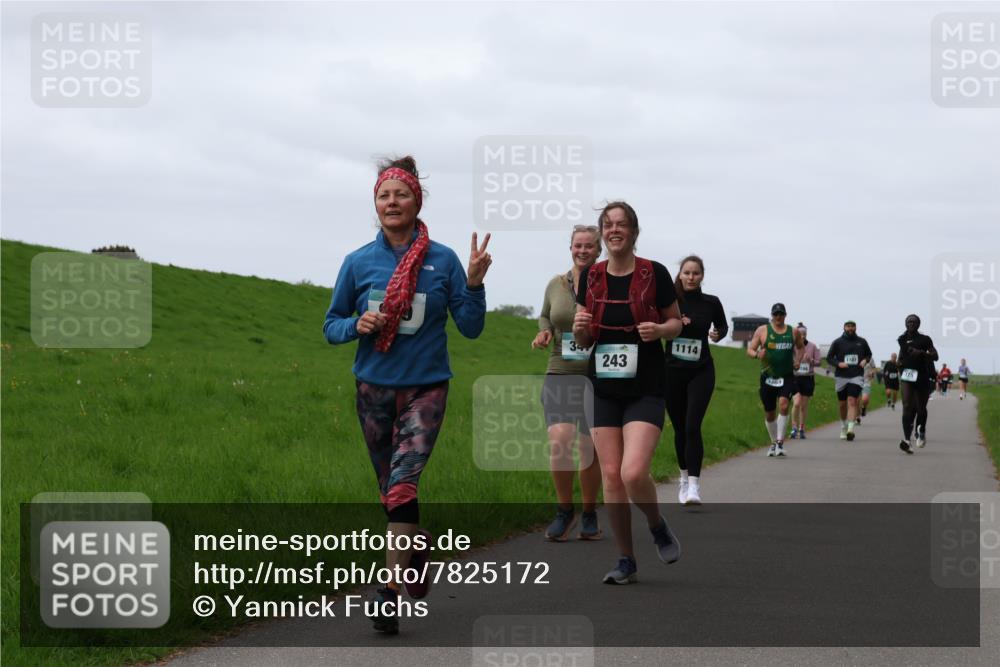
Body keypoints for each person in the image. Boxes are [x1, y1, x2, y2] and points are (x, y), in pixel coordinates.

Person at [323, 156, 492, 633]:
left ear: (417, 201)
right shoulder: (358, 262)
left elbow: (471, 327)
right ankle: (414, 546)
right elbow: (331, 325)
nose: (392, 202)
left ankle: (388, 591)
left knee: (402, 486)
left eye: (401, 194)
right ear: (375, 204)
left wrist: (474, 284)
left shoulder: (444, 260)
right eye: (384, 195)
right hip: (372, 390)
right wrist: (356, 324)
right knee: (389, 493)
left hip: (426, 389)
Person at [573, 201, 684, 584]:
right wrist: (580, 328)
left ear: (634, 231)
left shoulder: (655, 273)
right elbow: (584, 340)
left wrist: (660, 330)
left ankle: (656, 524)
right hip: (603, 387)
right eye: (608, 224)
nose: (614, 230)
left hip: (645, 386)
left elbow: (676, 322)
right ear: (603, 232)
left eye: (621, 224)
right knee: (611, 476)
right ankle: (626, 560)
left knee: (633, 472)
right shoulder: (591, 276)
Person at [533, 225, 603, 541]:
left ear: (599, 250)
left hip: (598, 375)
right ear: (571, 247)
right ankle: (564, 511)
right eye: (578, 245)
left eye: (589, 246)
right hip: (560, 371)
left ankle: (589, 513)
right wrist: (544, 331)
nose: (583, 250)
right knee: (560, 440)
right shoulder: (556, 284)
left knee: (588, 447)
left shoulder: (608, 284)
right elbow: (545, 316)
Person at [664, 255, 728, 506]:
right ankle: (683, 478)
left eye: (696, 273)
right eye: (687, 273)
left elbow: (722, 326)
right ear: (680, 274)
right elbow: (656, 323)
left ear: (702, 276)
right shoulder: (669, 300)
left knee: (692, 426)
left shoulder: (711, 302)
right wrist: (675, 323)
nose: (691, 277)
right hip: (672, 372)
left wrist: (718, 334)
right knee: (680, 428)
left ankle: (694, 486)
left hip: (701, 370)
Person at [747, 303, 804, 457]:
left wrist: (798, 361)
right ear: (772, 316)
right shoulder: (762, 330)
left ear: (785, 315)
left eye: (781, 314)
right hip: (768, 377)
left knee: (784, 405)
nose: (778, 317)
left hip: (786, 375)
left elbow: (801, 347)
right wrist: (757, 354)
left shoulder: (793, 331)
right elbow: (750, 350)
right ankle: (773, 443)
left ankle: (780, 442)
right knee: (770, 412)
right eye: (775, 314)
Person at [896, 314, 938, 454]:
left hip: (922, 376)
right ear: (905, 324)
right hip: (907, 376)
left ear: (919, 324)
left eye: (914, 322)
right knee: (907, 406)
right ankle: (907, 441)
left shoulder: (925, 339)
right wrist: (899, 364)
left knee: (921, 408)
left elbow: (935, 356)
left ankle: (921, 432)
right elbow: (902, 355)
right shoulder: (902, 339)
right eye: (909, 322)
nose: (911, 324)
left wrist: (921, 353)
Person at [826, 320, 873, 441]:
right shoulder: (837, 342)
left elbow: (869, 354)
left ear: (856, 328)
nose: (850, 328)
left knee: (852, 401)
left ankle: (850, 430)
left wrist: (865, 360)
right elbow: (829, 358)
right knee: (842, 404)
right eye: (848, 326)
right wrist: (838, 363)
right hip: (841, 376)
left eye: (852, 326)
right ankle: (843, 426)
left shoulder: (862, 342)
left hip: (856, 376)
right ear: (844, 328)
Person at [789, 323, 821, 440]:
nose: (802, 336)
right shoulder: (792, 346)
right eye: (800, 334)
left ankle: (801, 428)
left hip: (808, 378)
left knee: (803, 405)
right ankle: (794, 428)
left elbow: (819, 362)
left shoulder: (812, 346)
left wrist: (810, 360)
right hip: (795, 378)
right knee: (796, 403)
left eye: (804, 334)